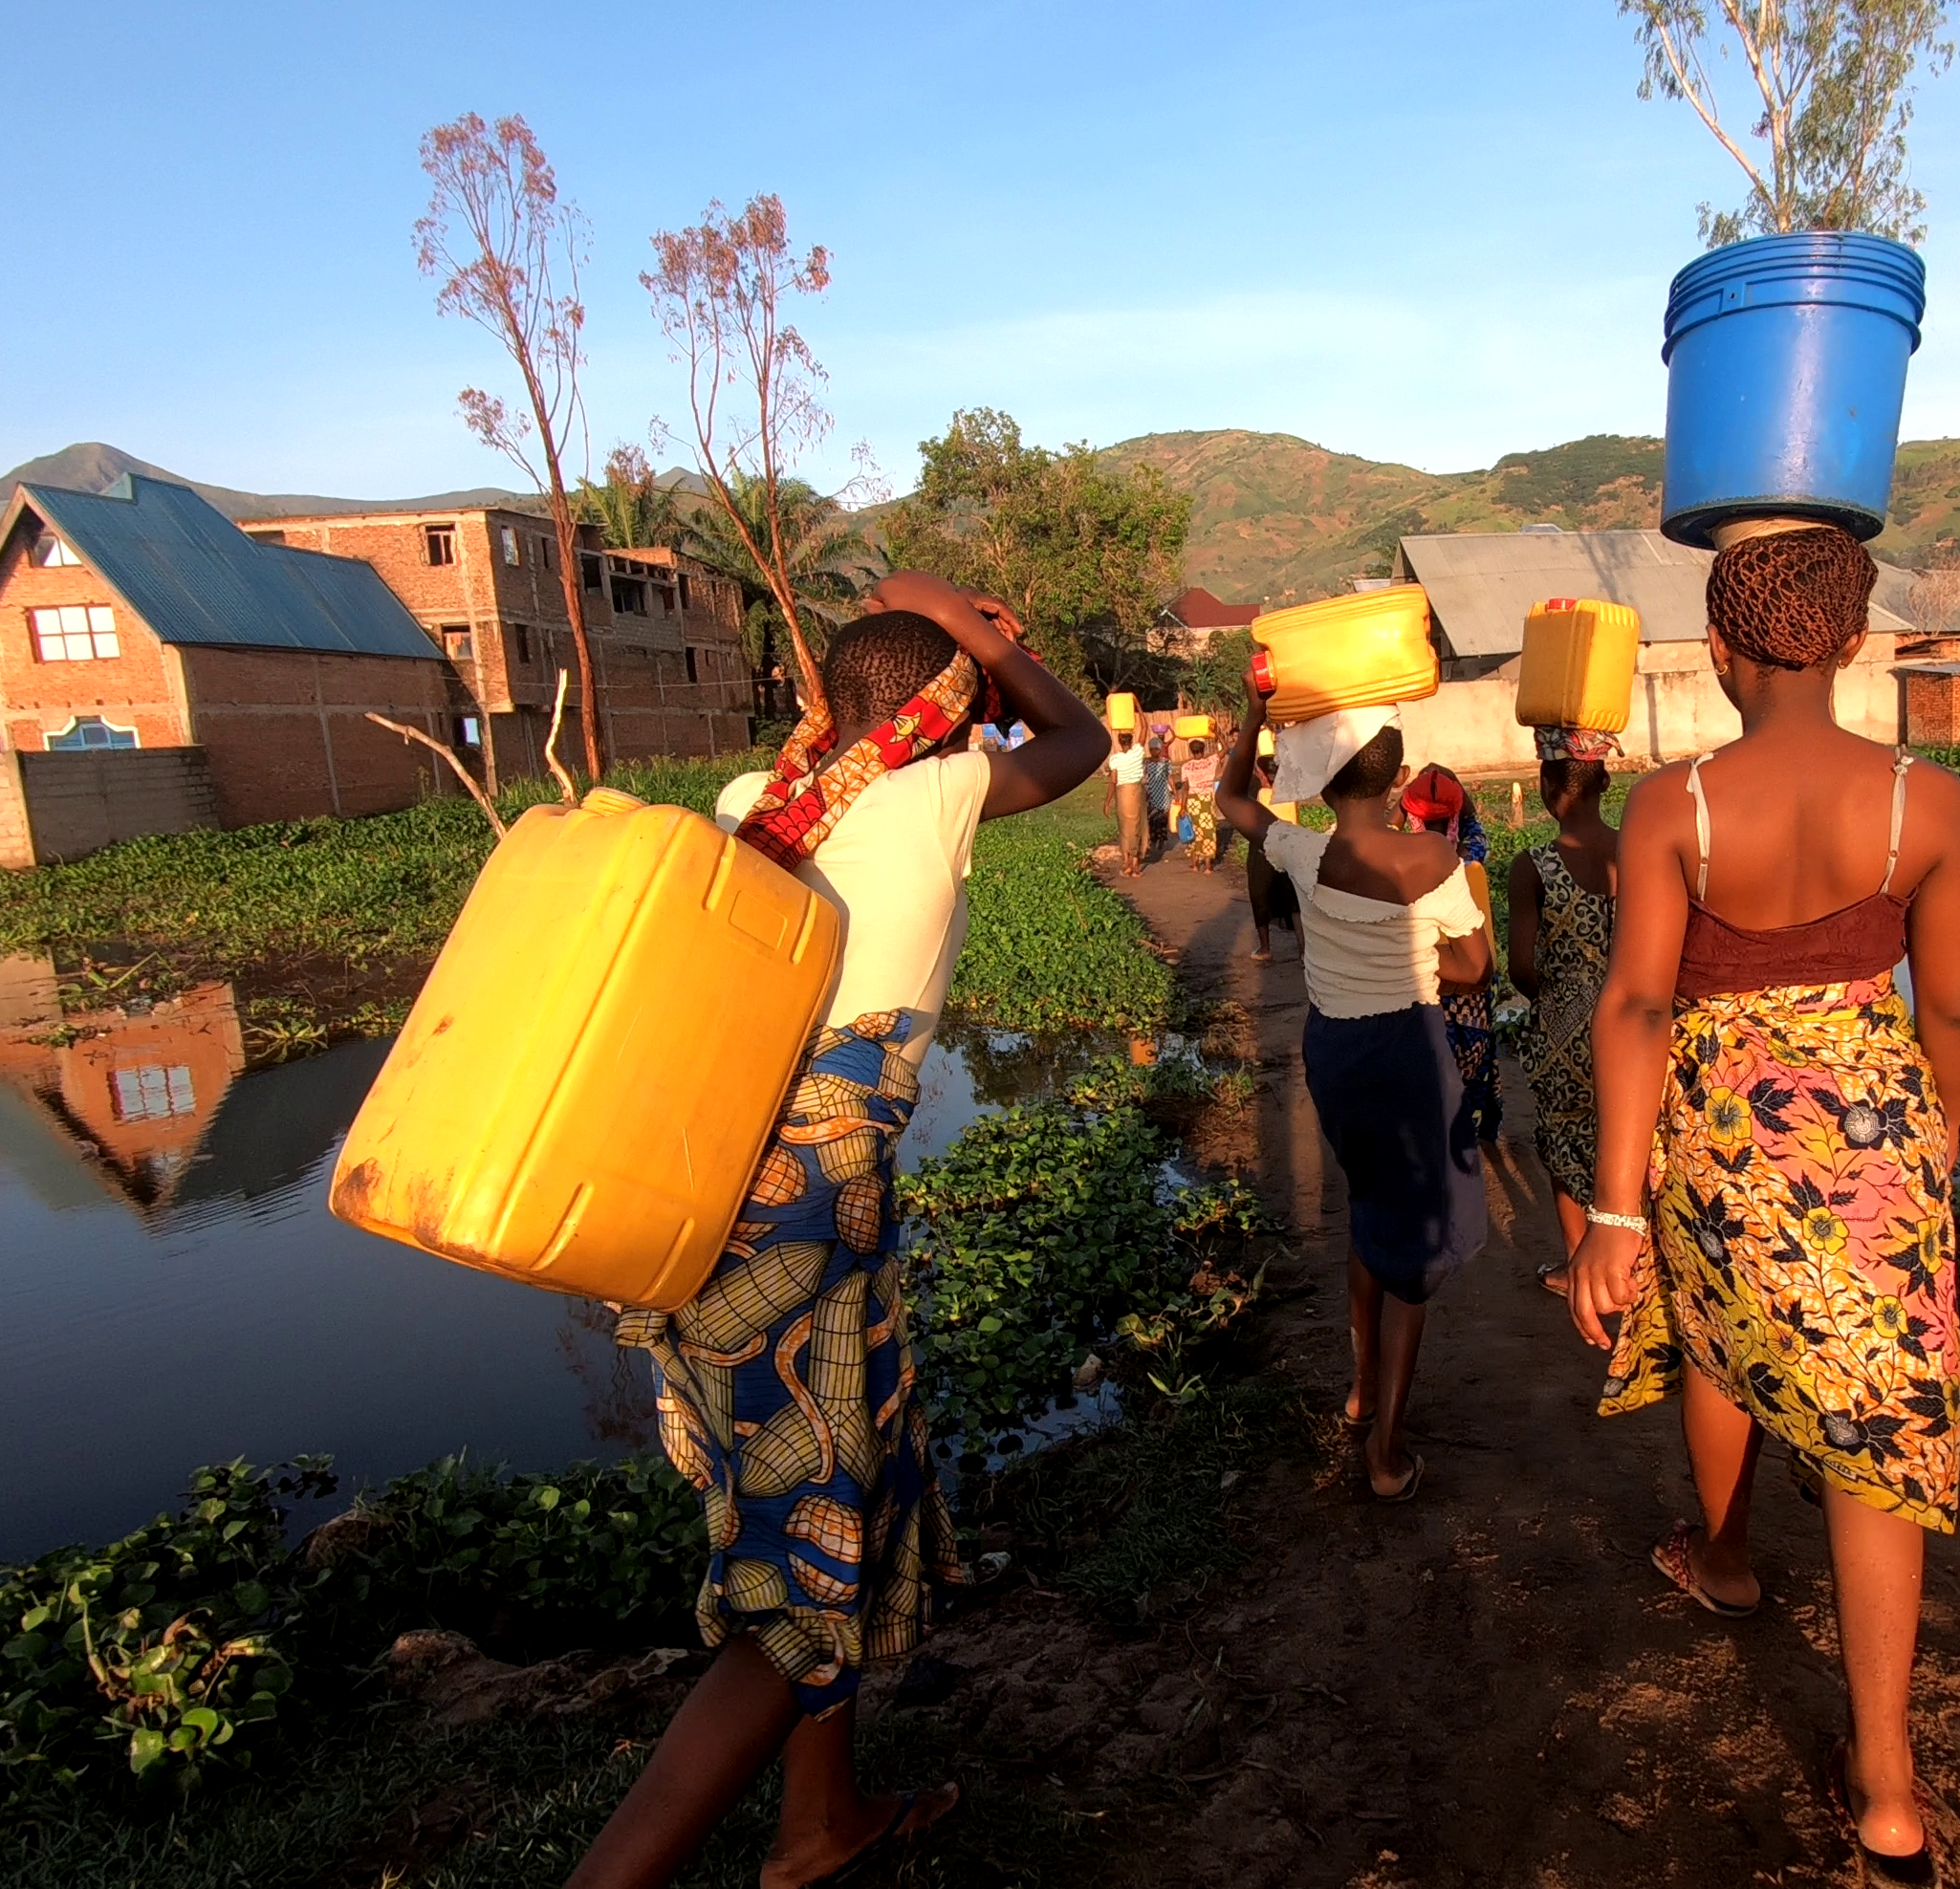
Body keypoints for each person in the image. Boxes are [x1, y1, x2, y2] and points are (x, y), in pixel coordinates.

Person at [572, 574, 1107, 1889]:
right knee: (799, 1581)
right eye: (967, 691)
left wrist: (953, 655)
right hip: (808, 1222)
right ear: (945, 712)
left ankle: (820, 1825)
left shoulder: (752, 808)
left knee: (824, 1510)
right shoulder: (931, 795)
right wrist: (988, 639)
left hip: (704, 1204)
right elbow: (1083, 743)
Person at [1566, 526, 1960, 1883]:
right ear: (1856, 641)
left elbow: (1633, 1002)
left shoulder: (1673, 807)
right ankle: (1889, 1786)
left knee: (1719, 1343)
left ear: (1721, 645)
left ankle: (1731, 1558)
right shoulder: (1930, 800)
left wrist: (1617, 1217)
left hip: (1722, 1127)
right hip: (1880, 1132)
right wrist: (1932, 1150)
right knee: (1878, 1435)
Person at [1217, 690, 1494, 1502]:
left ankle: (1360, 1389)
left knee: (1369, 1207)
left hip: (1333, 1054)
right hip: (1407, 1056)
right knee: (1414, 1259)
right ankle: (1384, 1453)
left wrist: (1251, 705)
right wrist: (1409, 966)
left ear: (1327, 785)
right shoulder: (1434, 862)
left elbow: (1232, 797)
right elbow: (1477, 967)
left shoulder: (1302, 852)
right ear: (1398, 778)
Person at [1506, 727, 1622, 1295]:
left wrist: (1559, 1003)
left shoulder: (1533, 867)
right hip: (1634, 1018)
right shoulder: (1636, 851)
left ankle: (1577, 1265)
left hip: (1563, 1027)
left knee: (1562, 1137)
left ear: (1546, 785)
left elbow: (1521, 968)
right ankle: (1635, 1260)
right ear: (1604, 781)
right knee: (1631, 1134)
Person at [1401, 764, 1504, 1144]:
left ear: (1412, 817)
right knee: (1473, 1069)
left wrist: (1408, 797)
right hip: (1473, 995)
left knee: (1427, 1073)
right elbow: (1474, 823)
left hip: (1428, 985)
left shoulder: (1400, 859)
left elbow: (1384, 829)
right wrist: (1452, 790)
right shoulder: (1469, 853)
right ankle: (1467, 1133)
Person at [1245, 751, 1300, 959]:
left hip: (1264, 850)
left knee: (1259, 896)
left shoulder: (1262, 795)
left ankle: (1265, 948)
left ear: (1261, 774)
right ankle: (1303, 950)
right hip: (1289, 848)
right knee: (1293, 901)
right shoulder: (1289, 793)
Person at [1101, 727, 1148, 877]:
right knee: (1138, 826)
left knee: (1125, 827)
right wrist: (1136, 704)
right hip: (1137, 792)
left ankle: (1126, 862)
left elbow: (1113, 781)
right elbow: (1144, 728)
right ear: (1132, 741)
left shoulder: (1115, 759)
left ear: (1119, 742)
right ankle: (1135, 865)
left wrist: (1108, 802)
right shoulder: (1138, 752)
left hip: (1122, 793)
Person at [1177, 737, 1223, 874]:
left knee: (1194, 832)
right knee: (1209, 832)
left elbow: (1185, 789)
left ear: (1191, 751)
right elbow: (1225, 749)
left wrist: (1182, 807)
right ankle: (1208, 867)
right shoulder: (1211, 761)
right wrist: (1216, 734)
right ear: (1204, 750)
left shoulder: (1186, 766)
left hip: (1192, 801)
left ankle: (1195, 865)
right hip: (1207, 800)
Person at [1143, 729, 1173, 855]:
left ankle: (1161, 839)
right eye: (1152, 749)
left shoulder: (1165, 762)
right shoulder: (1145, 762)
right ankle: (1153, 839)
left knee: (1163, 818)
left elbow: (1169, 777)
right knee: (1152, 818)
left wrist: (1175, 792)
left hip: (1163, 793)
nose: (1154, 751)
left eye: (1156, 749)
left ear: (1160, 750)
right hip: (1151, 793)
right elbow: (1143, 777)